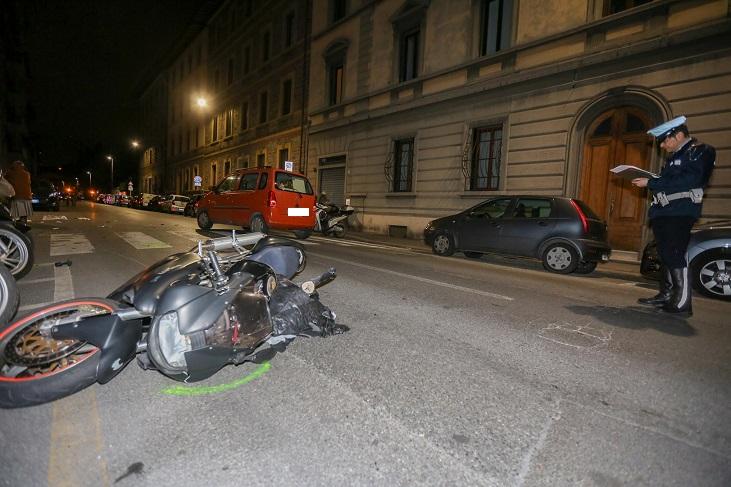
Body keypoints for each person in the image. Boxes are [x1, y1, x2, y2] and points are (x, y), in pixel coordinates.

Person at [632, 116, 715, 316]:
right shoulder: (674, 158)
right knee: (666, 254)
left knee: (675, 254)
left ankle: (682, 303)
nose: (662, 145)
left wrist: (651, 183)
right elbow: (671, 181)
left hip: (680, 212)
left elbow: (692, 179)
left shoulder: (701, 151)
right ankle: (666, 295)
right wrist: (653, 180)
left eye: (665, 140)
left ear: (678, 135)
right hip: (664, 212)